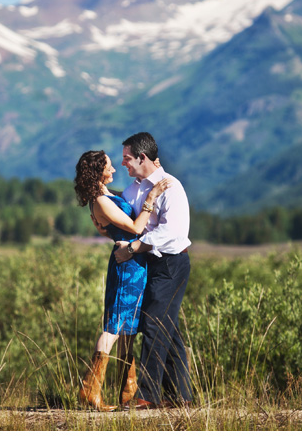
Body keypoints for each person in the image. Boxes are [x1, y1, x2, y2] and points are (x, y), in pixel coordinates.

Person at [73, 150, 172, 411]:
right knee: (114, 326)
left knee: (128, 327)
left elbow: (119, 229)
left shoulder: (106, 196)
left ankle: (127, 393)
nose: (114, 169)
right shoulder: (100, 201)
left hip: (135, 262)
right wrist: (151, 198)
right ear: (98, 170)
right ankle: (90, 390)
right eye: (108, 166)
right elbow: (136, 228)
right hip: (125, 264)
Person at [112, 132, 193, 410]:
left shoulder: (171, 187)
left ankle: (147, 396)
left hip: (171, 263)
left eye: (126, 158)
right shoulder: (133, 190)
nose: (123, 163)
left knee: (153, 324)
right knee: (167, 329)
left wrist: (133, 248)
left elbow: (171, 232)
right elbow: (128, 221)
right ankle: (181, 396)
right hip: (149, 265)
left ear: (142, 157)